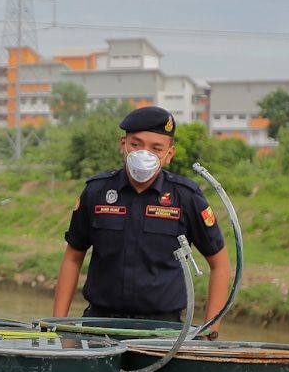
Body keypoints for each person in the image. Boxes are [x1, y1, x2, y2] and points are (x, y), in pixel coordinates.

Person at [52, 105, 230, 331]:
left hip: (162, 332)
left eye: (156, 148)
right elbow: (72, 258)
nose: (144, 154)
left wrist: (209, 332)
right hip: (99, 326)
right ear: (123, 145)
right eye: (136, 144)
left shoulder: (185, 197)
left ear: (169, 154)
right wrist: (57, 325)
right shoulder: (96, 192)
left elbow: (220, 264)